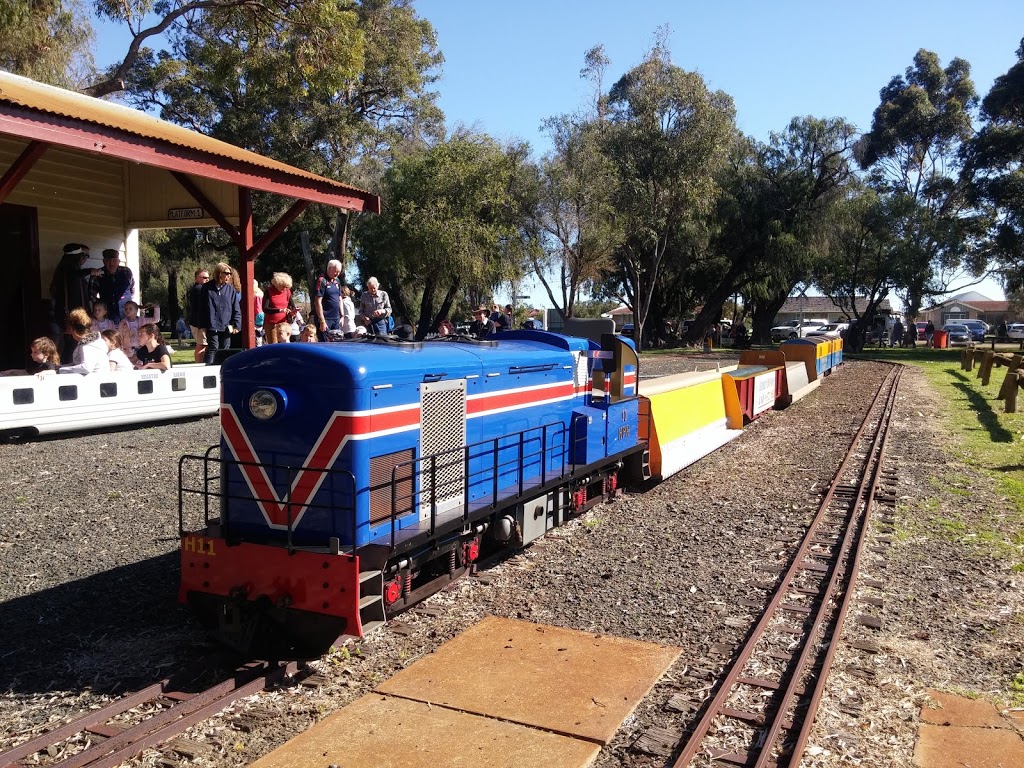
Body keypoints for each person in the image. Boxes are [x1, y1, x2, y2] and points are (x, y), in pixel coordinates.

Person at [51, 243, 100, 360]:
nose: (83, 258)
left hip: (75, 314)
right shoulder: (66, 270)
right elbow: (73, 275)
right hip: (70, 315)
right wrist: (90, 271)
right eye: (82, 255)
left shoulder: (69, 269)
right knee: (71, 345)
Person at [202, 262, 242, 365]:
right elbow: (201, 307)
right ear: (219, 273)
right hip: (212, 325)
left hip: (226, 325)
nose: (229, 276)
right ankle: (209, 371)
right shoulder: (207, 288)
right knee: (213, 347)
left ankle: (224, 369)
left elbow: (236, 308)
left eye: (230, 274)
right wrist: (202, 325)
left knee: (225, 349)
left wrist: (237, 325)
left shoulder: (230, 289)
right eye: (227, 273)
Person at [59, 307, 108, 375]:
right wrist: (59, 367)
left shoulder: (87, 345)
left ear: (73, 329)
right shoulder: (94, 341)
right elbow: (77, 363)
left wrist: (59, 371)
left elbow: (86, 367)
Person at [96, 249, 135, 323]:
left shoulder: (126, 271)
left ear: (119, 261)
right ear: (104, 261)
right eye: (108, 260)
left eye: (114, 260)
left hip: (126, 311)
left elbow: (132, 289)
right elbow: (92, 296)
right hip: (107, 313)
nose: (111, 263)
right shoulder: (98, 274)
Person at [315, 259, 343, 339]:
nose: (337, 274)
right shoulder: (322, 280)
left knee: (337, 343)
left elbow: (339, 298)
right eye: (336, 271)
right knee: (325, 344)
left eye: (339, 272)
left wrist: (342, 315)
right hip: (326, 319)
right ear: (329, 268)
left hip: (336, 318)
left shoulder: (337, 281)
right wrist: (322, 321)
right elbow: (317, 302)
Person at [264, 272, 294, 344]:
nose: (284, 289)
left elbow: (292, 305)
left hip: (284, 323)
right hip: (272, 324)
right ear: (277, 284)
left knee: (285, 344)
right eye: (283, 286)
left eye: (286, 287)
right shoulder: (269, 291)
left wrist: (294, 311)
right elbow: (265, 308)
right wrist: (280, 310)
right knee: (273, 346)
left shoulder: (287, 291)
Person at [187, 268, 210, 363]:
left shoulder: (201, 289)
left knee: (204, 345)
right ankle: (199, 364)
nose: (207, 279)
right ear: (197, 278)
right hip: (198, 324)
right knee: (202, 345)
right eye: (204, 277)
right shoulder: (198, 289)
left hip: (199, 322)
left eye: (208, 277)